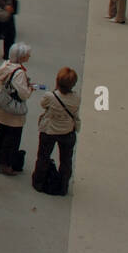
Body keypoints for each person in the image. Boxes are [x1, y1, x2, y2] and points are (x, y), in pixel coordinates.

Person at [0, 43, 38, 175]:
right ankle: (6, 164)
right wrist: (30, 89)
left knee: (1, 134)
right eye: (27, 55)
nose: (29, 56)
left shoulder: (5, 66)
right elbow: (23, 94)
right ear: (22, 57)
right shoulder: (19, 73)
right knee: (12, 139)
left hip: (2, 107)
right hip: (13, 111)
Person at [32, 67, 80, 196]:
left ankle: (39, 182)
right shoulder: (76, 98)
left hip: (49, 130)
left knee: (43, 156)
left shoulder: (50, 96)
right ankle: (63, 186)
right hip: (67, 131)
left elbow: (43, 104)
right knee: (66, 160)